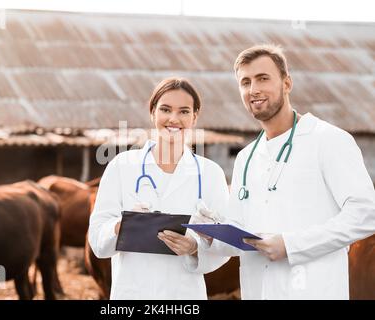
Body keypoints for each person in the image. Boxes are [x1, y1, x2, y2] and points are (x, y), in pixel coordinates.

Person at [199, 44, 375, 299]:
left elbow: (366, 214)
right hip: (258, 291)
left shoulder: (329, 140)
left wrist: (292, 246)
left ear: (287, 83)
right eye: (245, 82)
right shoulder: (246, 158)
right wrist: (210, 234)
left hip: (313, 290)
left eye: (263, 79)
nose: (253, 89)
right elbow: (241, 232)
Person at [88, 77, 230, 299]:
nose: (174, 119)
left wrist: (193, 247)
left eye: (184, 111)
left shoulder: (211, 174)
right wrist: (121, 225)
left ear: (194, 117)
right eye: (165, 109)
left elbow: (224, 243)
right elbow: (97, 241)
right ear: (153, 112)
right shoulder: (121, 166)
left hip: (184, 295)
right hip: (132, 293)